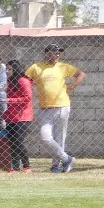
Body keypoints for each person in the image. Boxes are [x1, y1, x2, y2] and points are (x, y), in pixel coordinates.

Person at [25, 44, 84, 173]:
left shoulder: (63, 67)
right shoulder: (36, 67)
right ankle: (67, 159)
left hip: (62, 106)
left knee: (59, 138)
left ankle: (56, 165)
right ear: (46, 53)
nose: (57, 55)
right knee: (45, 137)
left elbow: (81, 74)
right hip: (45, 109)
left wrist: (71, 87)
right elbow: (25, 81)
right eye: (54, 52)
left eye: (59, 53)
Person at [4, 59, 34, 173]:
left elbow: (27, 98)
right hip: (11, 116)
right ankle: (15, 167)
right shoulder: (10, 82)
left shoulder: (23, 81)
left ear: (15, 69)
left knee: (18, 141)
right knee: (12, 142)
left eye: (9, 69)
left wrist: (10, 100)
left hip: (22, 116)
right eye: (6, 69)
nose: (7, 71)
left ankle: (26, 166)